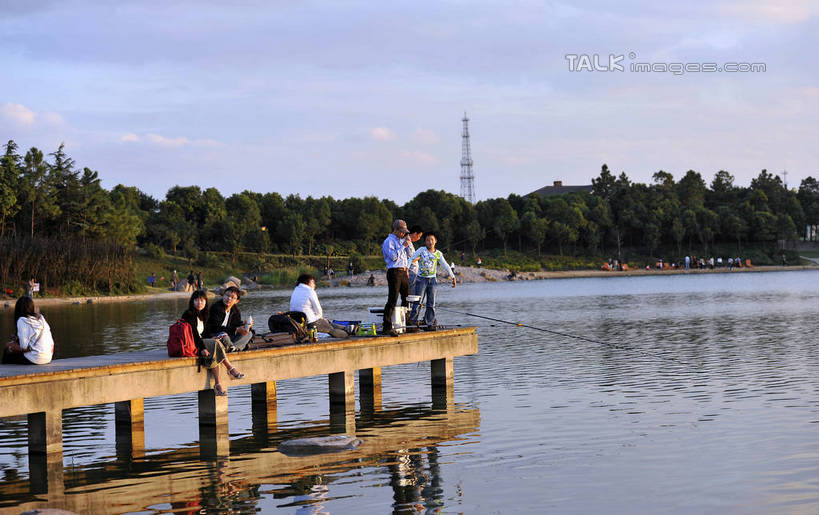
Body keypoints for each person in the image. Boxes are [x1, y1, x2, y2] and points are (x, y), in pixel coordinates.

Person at [182, 290, 243, 396]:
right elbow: (195, 335)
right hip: (192, 343)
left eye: (202, 300)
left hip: (202, 342)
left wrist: (213, 337)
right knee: (215, 344)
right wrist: (202, 348)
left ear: (205, 302)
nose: (199, 303)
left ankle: (218, 384)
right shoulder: (189, 314)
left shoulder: (204, 314)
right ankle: (230, 369)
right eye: (196, 300)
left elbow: (206, 333)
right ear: (192, 301)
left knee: (215, 345)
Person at [408, 233, 456, 330]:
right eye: (427, 240)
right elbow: (411, 259)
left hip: (432, 280)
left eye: (432, 240)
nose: (430, 242)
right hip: (421, 279)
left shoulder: (438, 253)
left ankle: (429, 322)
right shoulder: (421, 250)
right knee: (418, 302)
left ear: (435, 241)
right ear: (425, 242)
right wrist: (406, 270)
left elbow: (446, 265)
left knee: (431, 303)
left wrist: (453, 277)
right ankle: (412, 323)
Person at [289, 274, 349, 338]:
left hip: (299, 323)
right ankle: (348, 333)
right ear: (309, 282)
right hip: (311, 323)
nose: (314, 285)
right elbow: (318, 310)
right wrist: (321, 318)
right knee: (332, 330)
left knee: (328, 323)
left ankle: (347, 328)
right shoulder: (310, 291)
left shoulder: (296, 290)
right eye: (313, 283)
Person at [381, 219, 413, 336]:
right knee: (393, 298)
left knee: (407, 297)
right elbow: (394, 257)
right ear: (396, 230)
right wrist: (403, 246)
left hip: (403, 271)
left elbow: (409, 255)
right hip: (394, 271)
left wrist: (408, 244)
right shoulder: (388, 241)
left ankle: (408, 323)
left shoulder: (401, 240)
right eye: (402, 231)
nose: (404, 234)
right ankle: (387, 326)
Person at [3, 296, 54, 365]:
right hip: (48, 358)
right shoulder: (41, 319)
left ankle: (5, 373)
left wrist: (12, 345)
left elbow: (23, 347)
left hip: (35, 359)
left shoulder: (22, 320)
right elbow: (51, 344)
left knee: (8, 347)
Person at [205, 286, 253, 351]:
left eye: (232, 297)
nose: (229, 298)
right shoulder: (216, 308)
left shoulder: (235, 310)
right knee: (225, 336)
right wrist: (236, 329)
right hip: (214, 335)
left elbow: (236, 325)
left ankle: (232, 347)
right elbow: (215, 328)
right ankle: (237, 347)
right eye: (227, 295)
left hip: (228, 336)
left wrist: (246, 326)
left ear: (237, 301)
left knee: (249, 333)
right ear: (223, 296)